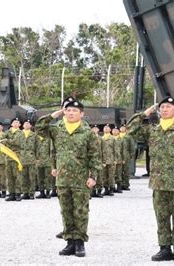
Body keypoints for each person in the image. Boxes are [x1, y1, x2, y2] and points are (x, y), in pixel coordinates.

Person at [127, 97, 174, 263]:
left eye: (168, 107)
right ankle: (164, 248)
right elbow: (130, 129)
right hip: (158, 182)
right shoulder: (153, 130)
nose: (164, 109)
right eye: (162, 107)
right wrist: (144, 113)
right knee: (162, 216)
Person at [36, 97, 100, 257]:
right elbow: (39, 128)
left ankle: (79, 243)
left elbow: (95, 157)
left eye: (74, 111)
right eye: (68, 110)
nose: (71, 113)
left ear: (82, 114)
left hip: (81, 178)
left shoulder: (88, 133)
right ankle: (69, 242)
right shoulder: (58, 129)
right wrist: (53, 115)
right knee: (66, 211)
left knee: (81, 211)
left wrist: (93, 176)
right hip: (63, 178)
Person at [2, 117, 24, 201]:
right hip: (8, 157)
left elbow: (17, 142)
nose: (15, 123)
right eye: (14, 122)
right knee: (9, 176)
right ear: (11, 124)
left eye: (17, 122)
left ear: (19, 125)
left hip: (16, 156)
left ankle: (18, 193)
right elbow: (0, 140)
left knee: (17, 175)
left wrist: (7, 141)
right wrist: (6, 140)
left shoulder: (21, 133)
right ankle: (11, 193)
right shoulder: (7, 132)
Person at [20, 119, 38, 199]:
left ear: (31, 126)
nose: (27, 125)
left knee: (32, 176)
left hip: (31, 158)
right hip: (21, 158)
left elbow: (37, 147)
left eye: (28, 124)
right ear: (23, 125)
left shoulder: (34, 135)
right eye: (25, 123)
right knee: (23, 176)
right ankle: (25, 192)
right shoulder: (19, 134)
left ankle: (31, 193)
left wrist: (37, 158)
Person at [101, 124, 116, 196]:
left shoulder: (113, 138)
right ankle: (106, 189)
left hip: (111, 159)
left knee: (111, 175)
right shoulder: (102, 138)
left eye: (107, 128)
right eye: (105, 128)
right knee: (104, 175)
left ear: (110, 130)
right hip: (104, 160)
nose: (106, 129)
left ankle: (111, 189)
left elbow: (116, 150)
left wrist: (116, 159)